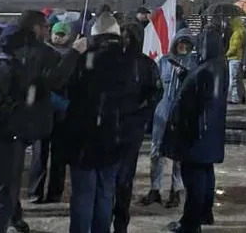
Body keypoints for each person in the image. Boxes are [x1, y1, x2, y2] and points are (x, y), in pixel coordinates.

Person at [0, 11, 68, 233]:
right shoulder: (33, 54)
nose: (47, 31)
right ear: (35, 28)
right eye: (45, 27)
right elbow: (53, 81)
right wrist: (74, 54)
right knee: (3, 199)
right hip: (5, 136)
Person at [62, 12, 143, 233]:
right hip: (115, 137)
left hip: (84, 138)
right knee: (106, 192)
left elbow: (62, 84)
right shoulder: (131, 61)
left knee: (84, 195)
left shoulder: (86, 60)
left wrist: (74, 53)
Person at [162, 26, 228, 233]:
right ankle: (204, 213)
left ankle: (190, 222)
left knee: (194, 179)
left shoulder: (206, 70)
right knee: (205, 174)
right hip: (209, 134)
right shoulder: (217, 66)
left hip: (196, 135)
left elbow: (191, 103)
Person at [113, 23, 162, 233]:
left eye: (128, 38)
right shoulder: (111, 61)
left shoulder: (146, 65)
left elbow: (155, 94)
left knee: (124, 178)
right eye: (121, 37)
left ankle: (121, 221)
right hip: (109, 126)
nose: (125, 42)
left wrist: (141, 114)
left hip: (131, 127)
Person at [141, 29, 195, 208]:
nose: (184, 46)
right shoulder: (163, 61)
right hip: (163, 110)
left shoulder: (194, 64)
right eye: (181, 42)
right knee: (157, 151)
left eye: (187, 43)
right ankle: (155, 188)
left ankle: (176, 189)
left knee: (179, 153)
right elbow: (155, 85)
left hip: (182, 111)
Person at [27, 21, 75, 204]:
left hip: (62, 113)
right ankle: (35, 192)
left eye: (62, 34)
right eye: (57, 34)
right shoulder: (44, 54)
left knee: (59, 156)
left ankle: (55, 192)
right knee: (39, 154)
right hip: (44, 111)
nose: (59, 37)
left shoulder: (73, 55)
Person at [226, 16, 246, 104]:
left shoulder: (237, 33)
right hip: (240, 58)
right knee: (239, 79)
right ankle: (242, 96)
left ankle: (234, 98)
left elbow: (234, 47)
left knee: (233, 79)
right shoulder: (243, 31)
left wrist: (226, 54)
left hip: (234, 58)